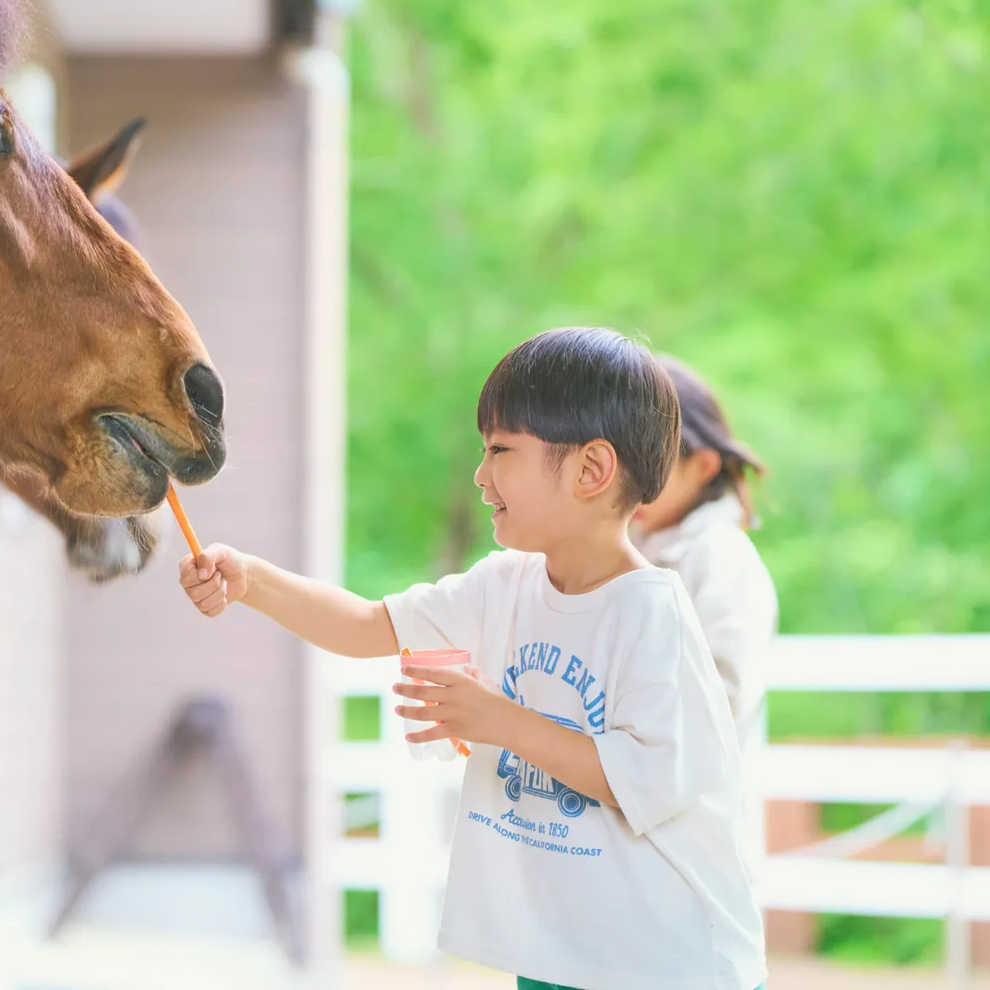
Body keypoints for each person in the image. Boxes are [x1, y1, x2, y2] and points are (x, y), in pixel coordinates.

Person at [179, 327, 765, 990]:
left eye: (500, 450)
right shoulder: (502, 585)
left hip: (666, 962)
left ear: (590, 470)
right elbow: (371, 625)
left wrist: (498, 720)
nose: (481, 474)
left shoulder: (653, 612)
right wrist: (253, 581)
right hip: (560, 948)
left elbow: (646, 778)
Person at [632, 356, 777, 860]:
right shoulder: (629, 543)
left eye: (652, 458)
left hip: (690, 836)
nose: (629, 475)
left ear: (704, 465)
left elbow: (723, 697)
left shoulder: (720, 556)